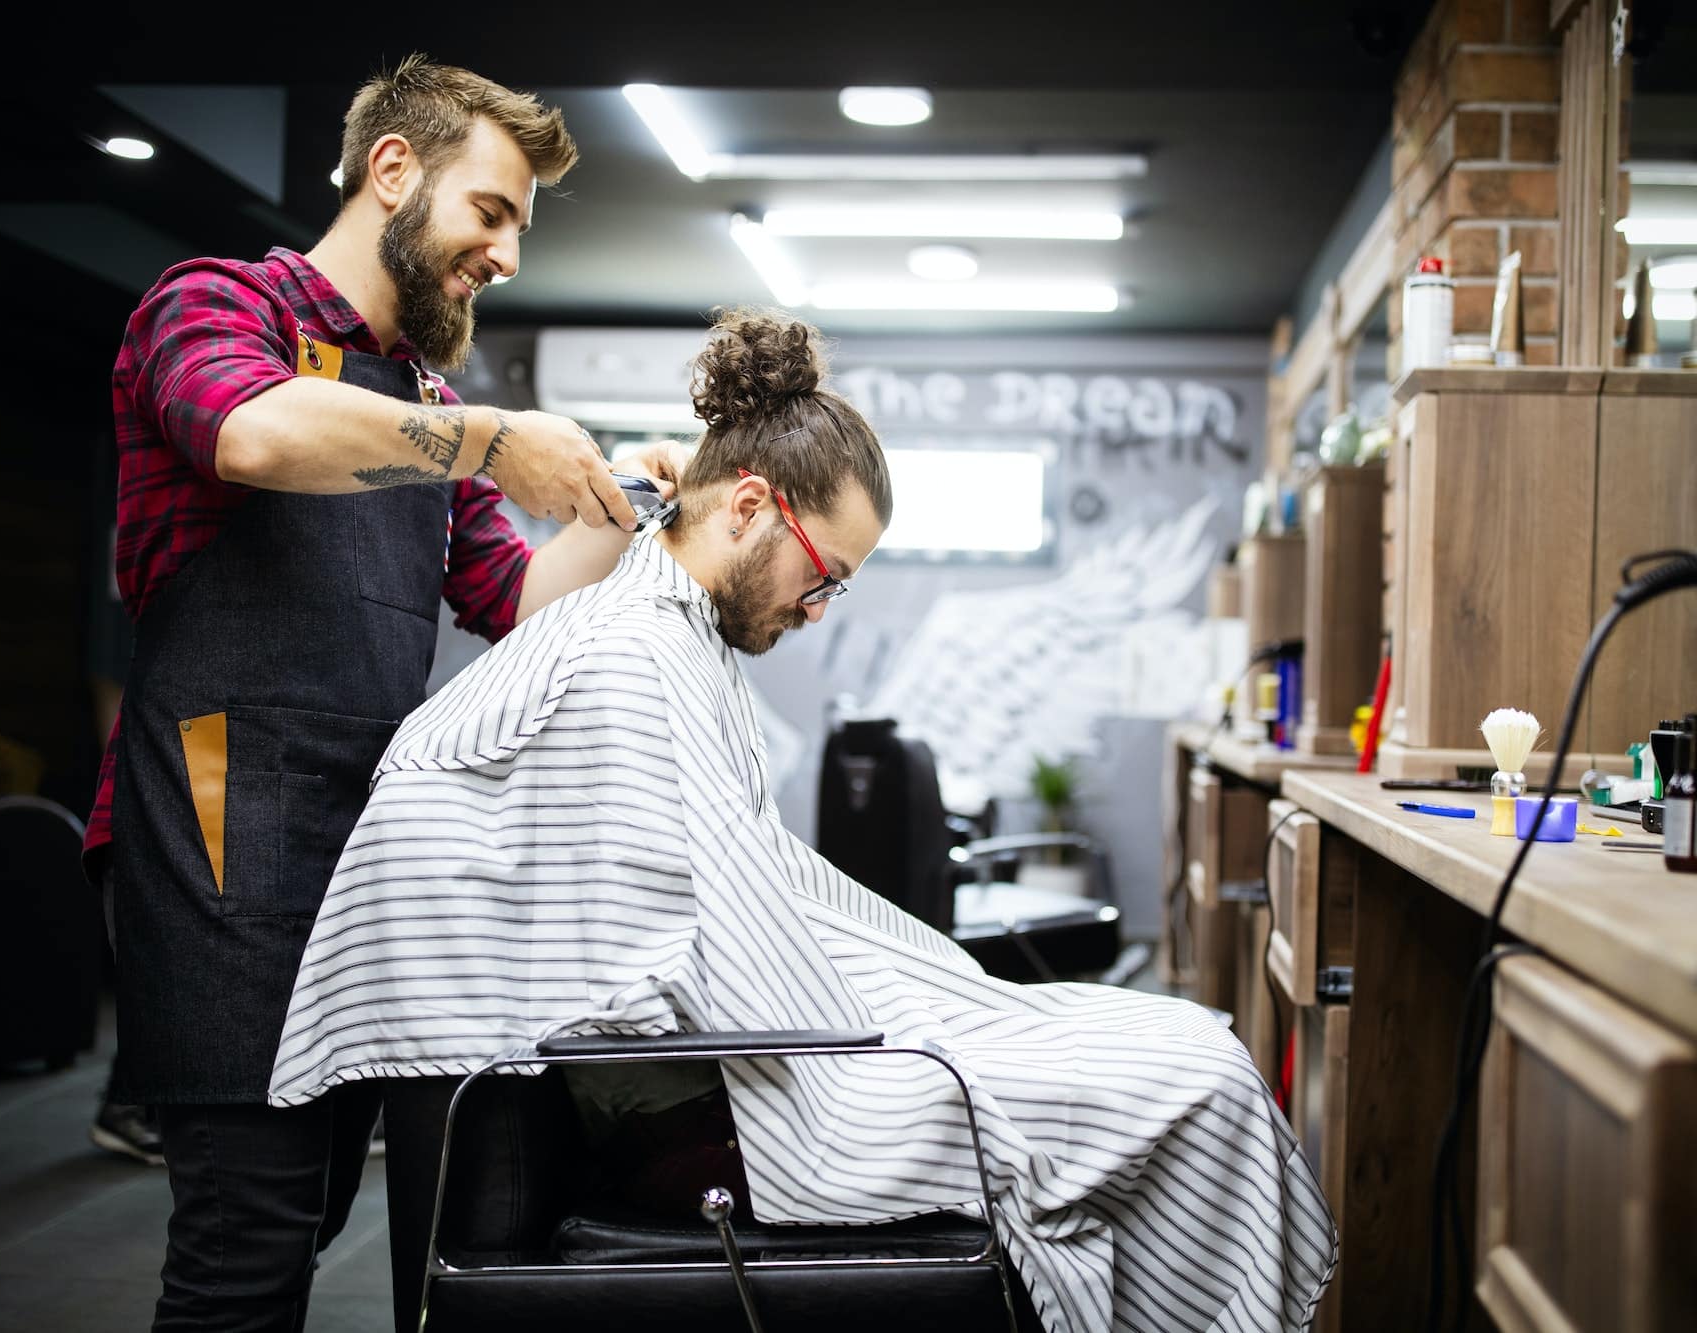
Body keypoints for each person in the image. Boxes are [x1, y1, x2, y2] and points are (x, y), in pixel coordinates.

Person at [268, 308, 1339, 1333]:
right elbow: (691, 960)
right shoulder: (629, 653)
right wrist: (910, 1025)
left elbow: (730, 908)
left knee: (1175, 1043)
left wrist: (937, 996)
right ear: (745, 505)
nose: (817, 609)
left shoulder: (666, 637)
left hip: (723, 1068)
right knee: (1188, 1077)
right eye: (820, 575)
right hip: (724, 1103)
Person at [90, 54, 679, 1328]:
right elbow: (249, 429)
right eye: (491, 211)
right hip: (217, 825)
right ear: (394, 171)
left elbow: (520, 608)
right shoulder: (211, 303)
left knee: (308, 1217)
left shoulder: (420, 399)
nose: (505, 254)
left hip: (353, 856)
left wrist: (624, 515)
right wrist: (489, 437)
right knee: (243, 1237)